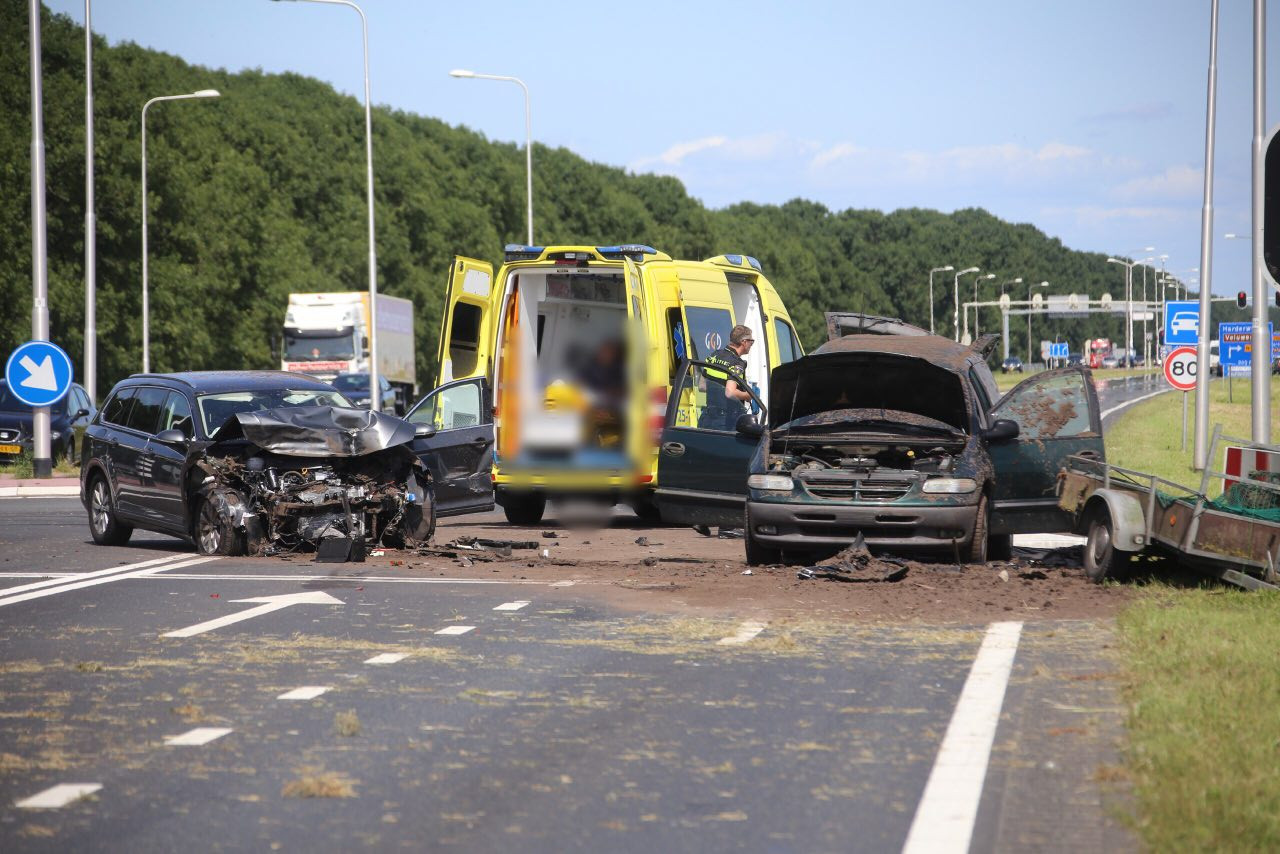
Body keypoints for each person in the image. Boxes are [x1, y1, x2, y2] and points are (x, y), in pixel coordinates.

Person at [699, 325, 756, 431]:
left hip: (706, 418)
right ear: (744, 342)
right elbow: (730, 392)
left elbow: (701, 386)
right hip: (725, 422)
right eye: (751, 341)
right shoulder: (737, 363)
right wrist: (748, 395)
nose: (751, 344)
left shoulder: (714, 355)